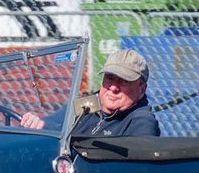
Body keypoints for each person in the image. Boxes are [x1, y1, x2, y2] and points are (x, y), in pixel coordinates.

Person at [20, 48, 160, 137]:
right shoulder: (89, 104)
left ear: (142, 89)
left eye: (124, 81)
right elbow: (54, 122)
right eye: (110, 78)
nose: (113, 88)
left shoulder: (141, 121)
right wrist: (38, 123)